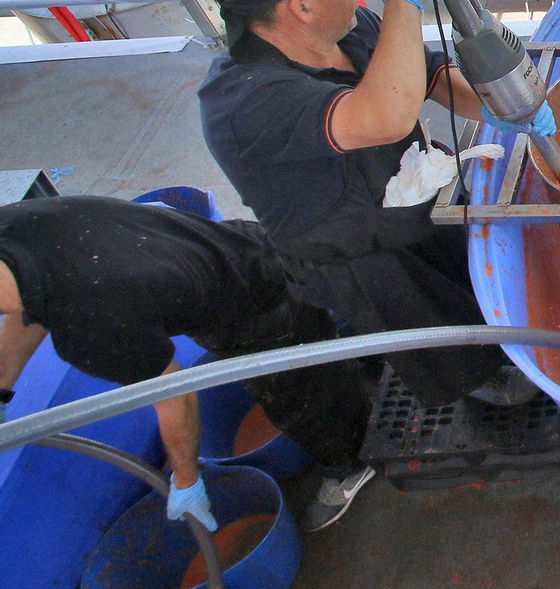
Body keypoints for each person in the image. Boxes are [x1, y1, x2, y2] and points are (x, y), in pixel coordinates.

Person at [197, 0, 551, 412]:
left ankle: (498, 346)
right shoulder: (244, 102)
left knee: (468, 288)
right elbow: (385, 114)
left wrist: (508, 108)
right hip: (356, 250)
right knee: (435, 337)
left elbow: (426, 76)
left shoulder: (347, 27)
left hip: (411, 196)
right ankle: (484, 385)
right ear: (301, 5)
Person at [0, 196, 377, 531]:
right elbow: (31, 305)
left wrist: (186, 480)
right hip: (238, 243)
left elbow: (175, 397)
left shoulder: (88, 323)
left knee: (300, 399)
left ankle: (351, 463)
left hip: (256, 311)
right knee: (315, 336)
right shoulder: (14, 229)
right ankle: (341, 350)